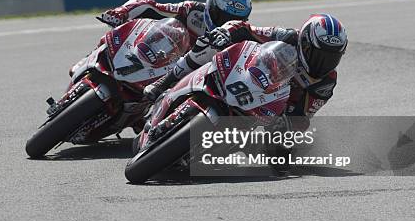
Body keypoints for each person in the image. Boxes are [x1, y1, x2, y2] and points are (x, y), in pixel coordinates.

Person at [143, 11, 348, 132]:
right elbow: (246, 28)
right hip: (247, 76)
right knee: (208, 46)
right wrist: (225, 32)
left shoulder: (326, 82)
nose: (325, 62)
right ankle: (165, 81)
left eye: (332, 57)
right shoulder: (286, 36)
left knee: (284, 150)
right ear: (304, 42)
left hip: (270, 109)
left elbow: (303, 116)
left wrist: (288, 125)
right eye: (319, 54)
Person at [99, 0, 253, 51]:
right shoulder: (191, 10)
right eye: (223, 16)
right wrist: (122, 12)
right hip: (152, 55)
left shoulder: (239, 36)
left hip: (179, 81)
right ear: (211, 5)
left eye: (234, 20)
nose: (225, 23)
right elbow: (148, 4)